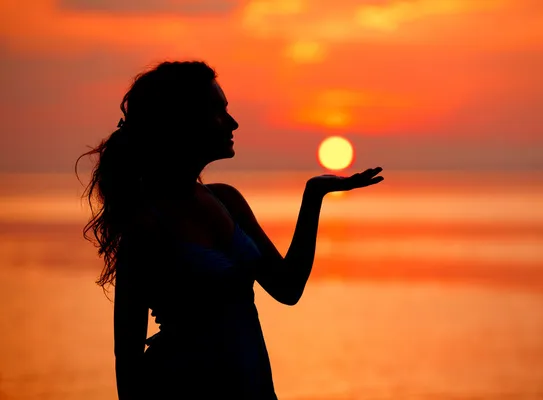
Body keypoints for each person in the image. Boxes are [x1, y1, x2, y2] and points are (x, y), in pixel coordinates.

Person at [75, 60, 384, 399]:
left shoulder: (226, 200)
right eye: (219, 112)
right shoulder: (147, 226)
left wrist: (313, 197)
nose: (233, 122)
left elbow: (287, 287)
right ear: (184, 122)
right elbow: (128, 358)